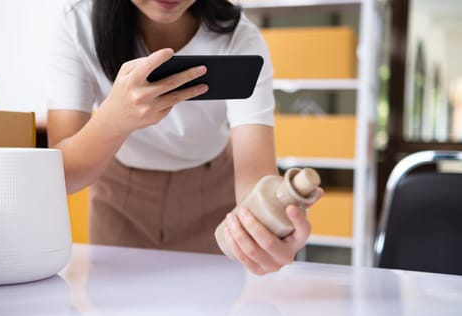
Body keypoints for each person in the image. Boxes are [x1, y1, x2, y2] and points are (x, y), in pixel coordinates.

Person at [47, 0, 322, 275]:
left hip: (212, 198)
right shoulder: (78, 25)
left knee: (208, 310)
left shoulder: (240, 38)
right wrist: (113, 119)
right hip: (119, 200)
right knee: (117, 310)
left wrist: (268, 231)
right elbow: (66, 177)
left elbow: (255, 181)